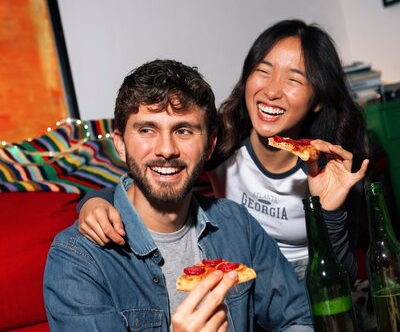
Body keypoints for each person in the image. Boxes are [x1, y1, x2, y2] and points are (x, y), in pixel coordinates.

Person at [44, 59, 316, 332]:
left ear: (209, 145)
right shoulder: (77, 254)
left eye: (184, 130)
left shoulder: (235, 224)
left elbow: (296, 317)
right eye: (147, 130)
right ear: (121, 143)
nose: (167, 149)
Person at [77, 19, 369, 285]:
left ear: (317, 99)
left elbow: (343, 277)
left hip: (313, 283)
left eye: (293, 80)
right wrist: (93, 202)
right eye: (263, 72)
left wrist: (330, 211)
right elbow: (152, 174)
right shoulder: (224, 144)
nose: (271, 91)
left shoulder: (331, 166)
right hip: (242, 277)